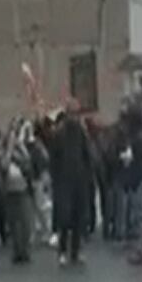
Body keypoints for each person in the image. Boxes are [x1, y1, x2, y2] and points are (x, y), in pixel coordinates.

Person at [50, 102, 96, 266]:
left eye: (76, 114)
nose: (74, 117)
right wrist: (55, 181)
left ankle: (76, 251)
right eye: (72, 114)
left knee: (79, 217)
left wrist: (88, 176)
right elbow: (53, 159)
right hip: (64, 181)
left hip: (80, 180)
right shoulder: (59, 134)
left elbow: (88, 155)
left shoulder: (81, 133)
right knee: (64, 218)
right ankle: (62, 251)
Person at [0, 120, 35, 265]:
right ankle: (17, 251)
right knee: (14, 224)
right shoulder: (4, 154)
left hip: (23, 189)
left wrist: (19, 146)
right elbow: (4, 165)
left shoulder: (21, 153)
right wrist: (9, 148)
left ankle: (25, 250)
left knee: (26, 222)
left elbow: (28, 162)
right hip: (10, 191)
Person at [119, 106, 142, 265]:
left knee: (140, 215)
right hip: (139, 178)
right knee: (139, 214)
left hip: (137, 179)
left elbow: (136, 160)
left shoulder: (137, 138)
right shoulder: (141, 136)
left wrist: (127, 158)